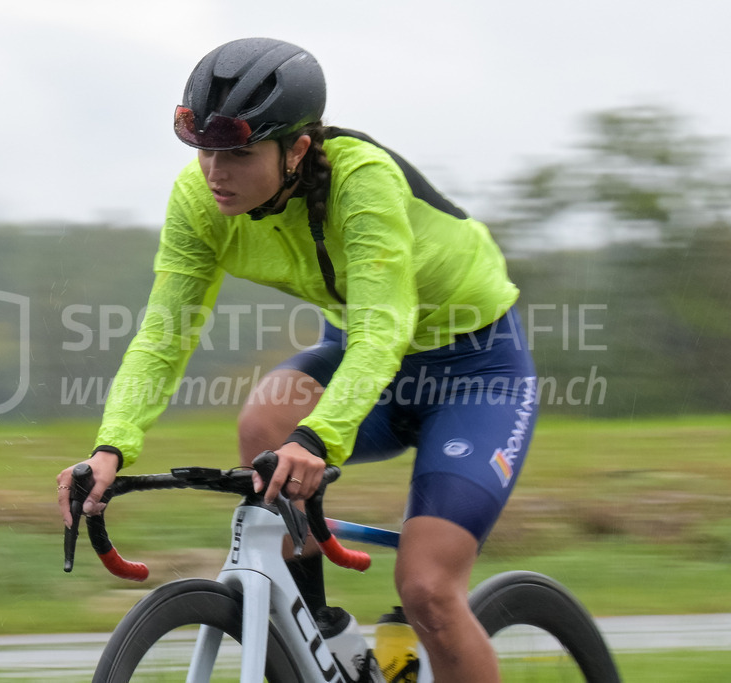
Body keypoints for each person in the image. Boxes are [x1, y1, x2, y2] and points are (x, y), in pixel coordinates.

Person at [57, 37, 537, 683]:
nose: (214, 171)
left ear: (297, 150)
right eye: (203, 149)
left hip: (475, 372)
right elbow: (163, 335)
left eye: (237, 152)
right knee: (263, 427)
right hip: (364, 355)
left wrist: (319, 436)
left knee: (426, 589)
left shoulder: (361, 183)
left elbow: (380, 329)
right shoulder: (201, 202)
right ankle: (322, 633)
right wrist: (111, 446)